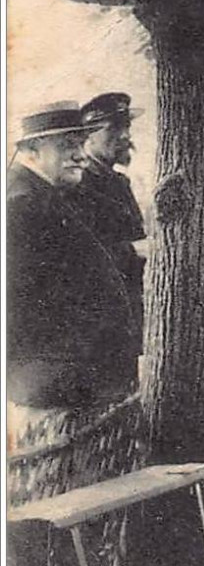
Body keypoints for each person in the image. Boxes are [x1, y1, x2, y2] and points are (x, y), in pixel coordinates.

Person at [8, 102, 139, 411]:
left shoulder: (43, 194)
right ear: (33, 150)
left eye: (81, 143)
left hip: (65, 380)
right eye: (68, 146)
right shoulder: (21, 203)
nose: (81, 154)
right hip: (48, 388)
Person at [65, 92, 147, 344]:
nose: (125, 136)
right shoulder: (77, 186)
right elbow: (78, 259)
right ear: (88, 136)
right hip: (94, 323)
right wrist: (135, 250)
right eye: (114, 128)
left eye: (127, 127)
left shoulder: (119, 183)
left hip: (127, 315)